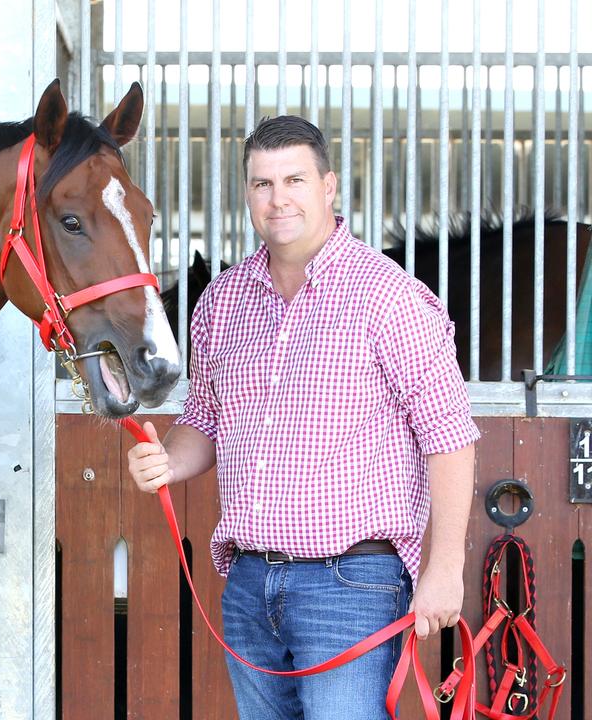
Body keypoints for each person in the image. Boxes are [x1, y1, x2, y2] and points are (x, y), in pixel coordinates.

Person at [127, 115, 478, 719]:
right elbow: (205, 421)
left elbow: (448, 437)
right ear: (247, 194)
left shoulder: (387, 296)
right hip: (249, 584)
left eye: (294, 179)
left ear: (328, 186)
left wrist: (445, 568)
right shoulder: (223, 300)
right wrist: (166, 461)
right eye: (262, 183)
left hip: (352, 587)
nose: (278, 197)